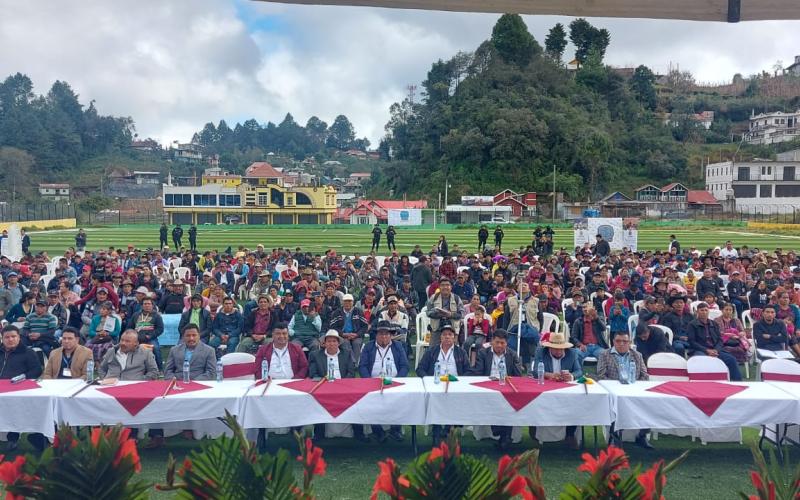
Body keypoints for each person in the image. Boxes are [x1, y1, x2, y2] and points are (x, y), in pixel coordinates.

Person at [309, 330, 368, 443]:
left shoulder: (346, 353)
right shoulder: (315, 355)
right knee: (317, 403)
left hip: (344, 387)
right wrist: (324, 382)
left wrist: (343, 384)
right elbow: (313, 374)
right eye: (329, 341)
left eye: (334, 341)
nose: (331, 344)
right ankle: (318, 433)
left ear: (338, 343)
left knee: (356, 401)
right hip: (324, 387)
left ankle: (359, 433)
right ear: (324, 343)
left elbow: (351, 373)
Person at [596, 332, 653, 449]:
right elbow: (601, 375)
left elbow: (645, 375)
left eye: (625, 341)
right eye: (618, 341)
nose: (621, 344)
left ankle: (642, 435)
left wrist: (635, 386)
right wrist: (616, 386)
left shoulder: (637, 355)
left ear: (629, 343)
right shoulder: (605, 355)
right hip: (614, 391)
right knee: (614, 403)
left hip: (634, 390)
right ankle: (614, 437)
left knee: (648, 403)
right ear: (613, 342)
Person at [470, 329, 524, 450]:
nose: (500, 345)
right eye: (497, 342)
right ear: (492, 342)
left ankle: (504, 435)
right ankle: (503, 434)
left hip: (507, 386)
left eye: (502, 343)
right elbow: (478, 373)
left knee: (510, 403)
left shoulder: (512, 354)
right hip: (488, 386)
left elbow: (518, 375)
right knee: (493, 401)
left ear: (506, 343)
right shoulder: (483, 353)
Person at [416, 323, 469, 444]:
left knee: (455, 397)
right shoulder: (432, 351)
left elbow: (468, 371)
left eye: (450, 334)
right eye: (444, 334)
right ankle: (437, 429)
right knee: (435, 398)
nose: (447, 337)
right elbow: (420, 369)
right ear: (440, 337)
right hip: (436, 383)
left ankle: (450, 428)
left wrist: (459, 381)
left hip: (455, 383)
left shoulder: (461, 352)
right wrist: (428, 380)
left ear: (454, 337)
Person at [358, 321, 409, 442]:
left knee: (399, 399)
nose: (384, 337)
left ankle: (395, 430)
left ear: (391, 335)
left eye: (387, 334)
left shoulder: (398, 346)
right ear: (376, 335)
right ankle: (378, 431)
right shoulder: (368, 347)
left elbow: (405, 366)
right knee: (370, 400)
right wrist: (369, 381)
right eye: (381, 334)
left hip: (393, 382)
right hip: (373, 383)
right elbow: (362, 366)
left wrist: (397, 381)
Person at [531, 331, 582, 449]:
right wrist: (548, 375)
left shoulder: (572, 353)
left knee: (576, 403)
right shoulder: (541, 352)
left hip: (566, 389)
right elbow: (534, 371)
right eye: (555, 349)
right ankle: (535, 429)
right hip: (546, 387)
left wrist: (572, 376)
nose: (559, 351)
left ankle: (570, 434)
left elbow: (579, 371)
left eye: (561, 349)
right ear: (550, 347)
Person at [0, 325, 45, 451]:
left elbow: (37, 370)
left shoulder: (28, 352)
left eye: (13, 336)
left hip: (20, 390)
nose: (10, 339)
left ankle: (19, 437)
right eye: (7, 337)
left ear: (19, 337)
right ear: (2, 339)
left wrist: (24, 377)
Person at [687, 302, 742, 381]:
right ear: (697, 312)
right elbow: (692, 342)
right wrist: (707, 350)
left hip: (715, 349)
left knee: (731, 359)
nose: (704, 312)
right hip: (700, 350)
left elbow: (720, 340)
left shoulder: (714, 324)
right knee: (704, 360)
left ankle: (738, 383)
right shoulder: (692, 325)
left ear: (708, 311)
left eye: (706, 310)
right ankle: (704, 382)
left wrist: (716, 350)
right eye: (702, 310)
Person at [425, 278, 464, 347]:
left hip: (452, 328)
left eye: (447, 285)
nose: (445, 287)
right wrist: (438, 314)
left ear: (451, 287)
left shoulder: (456, 298)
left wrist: (450, 314)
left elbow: (461, 314)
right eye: (442, 285)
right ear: (439, 287)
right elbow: (428, 313)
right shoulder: (433, 298)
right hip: (437, 328)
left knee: (452, 351)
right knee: (433, 350)